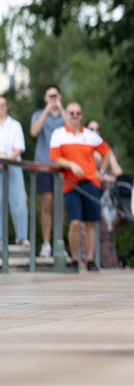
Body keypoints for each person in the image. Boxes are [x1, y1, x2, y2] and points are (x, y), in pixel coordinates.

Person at [48, 102, 110, 272]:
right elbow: (55, 159)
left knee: (91, 222)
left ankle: (90, 259)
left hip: (90, 182)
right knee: (75, 222)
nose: (74, 116)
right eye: (71, 113)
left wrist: (101, 171)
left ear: (81, 115)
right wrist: (71, 165)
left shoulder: (90, 135)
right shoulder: (59, 134)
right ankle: (75, 259)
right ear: (66, 114)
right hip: (70, 184)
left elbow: (106, 152)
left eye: (78, 113)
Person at [30, 84, 65, 258]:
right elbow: (34, 132)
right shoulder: (38, 114)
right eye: (50, 96)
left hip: (62, 167)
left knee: (62, 206)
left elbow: (73, 128)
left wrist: (61, 108)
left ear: (60, 97)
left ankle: (60, 242)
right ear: (45, 98)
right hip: (44, 165)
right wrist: (47, 110)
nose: (52, 99)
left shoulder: (65, 115)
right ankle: (46, 244)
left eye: (55, 96)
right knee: (47, 204)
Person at [86, 119, 123, 268]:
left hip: (103, 197)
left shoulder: (105, 151)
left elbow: (118, 173)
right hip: (88, 191)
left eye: (97, 129)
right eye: (91, 129)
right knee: (86, 228)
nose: (95, 132)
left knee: (105, 232)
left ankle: (107, 264)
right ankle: (87, 261)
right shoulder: (84, 148)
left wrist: (105, 176)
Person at [0, 95, 30, 247]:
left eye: (3, 104)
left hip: (12, 166)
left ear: (7, 106)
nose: (1, 108)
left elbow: (19, 148)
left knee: (19, 201)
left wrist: (6, 160)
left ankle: (22, 236)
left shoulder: (15, 125)